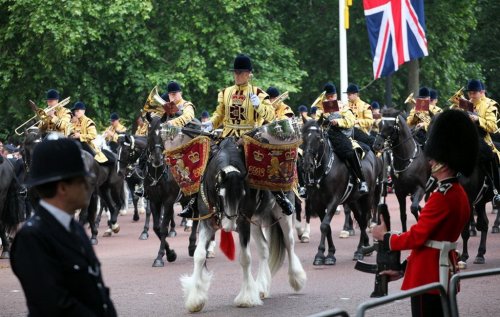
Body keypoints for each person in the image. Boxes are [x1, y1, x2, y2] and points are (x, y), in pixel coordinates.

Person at [372, 109, 478, 317]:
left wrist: (386, 238)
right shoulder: (457, 193)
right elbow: (432, 242)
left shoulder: (442, 197)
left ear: (444, 161)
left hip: (428, 278)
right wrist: (402, 269)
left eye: (433, 158)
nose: (429, 161)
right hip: (441, 271)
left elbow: (418, 236)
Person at [10, 138, 117, 316]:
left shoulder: (74, 227)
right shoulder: (32, 237)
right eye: (83, 179)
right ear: (62, 188)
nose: (89, 184)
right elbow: (55, 305)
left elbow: (98, 292)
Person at [202, 54, 294, 215]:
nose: (237, 76)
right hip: (227, 137)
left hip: (249, 138)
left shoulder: (258, 93)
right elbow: (219, 115)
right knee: (208, 159)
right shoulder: (226, 92)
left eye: (241, 72)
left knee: (265, 164)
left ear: (249, 74)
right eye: (235, 72)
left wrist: (259, 106)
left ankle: (279, 196)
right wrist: (211, 123)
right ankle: (198, 199)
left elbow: (271, 116)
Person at [319, 82, 369, 193]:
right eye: (328, 97)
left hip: (341, 135)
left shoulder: (343, 107)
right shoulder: (321, 108)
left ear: (336, 96)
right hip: (325, 135)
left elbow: (350, 121)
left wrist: (338, 121)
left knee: (350, 152)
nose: (330, 98)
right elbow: (317, 122)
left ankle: (362, 180)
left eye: (332, 96)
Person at [464, 79, 500, 205]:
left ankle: (496, 191)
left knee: (492, 157)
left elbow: (492, 127)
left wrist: (477, 119)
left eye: (474, 93)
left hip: (483, 139)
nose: (472, 96)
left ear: (481, 92)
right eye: (470, 93)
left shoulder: (491, 104)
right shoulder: (466, 103)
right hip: (466, 138)